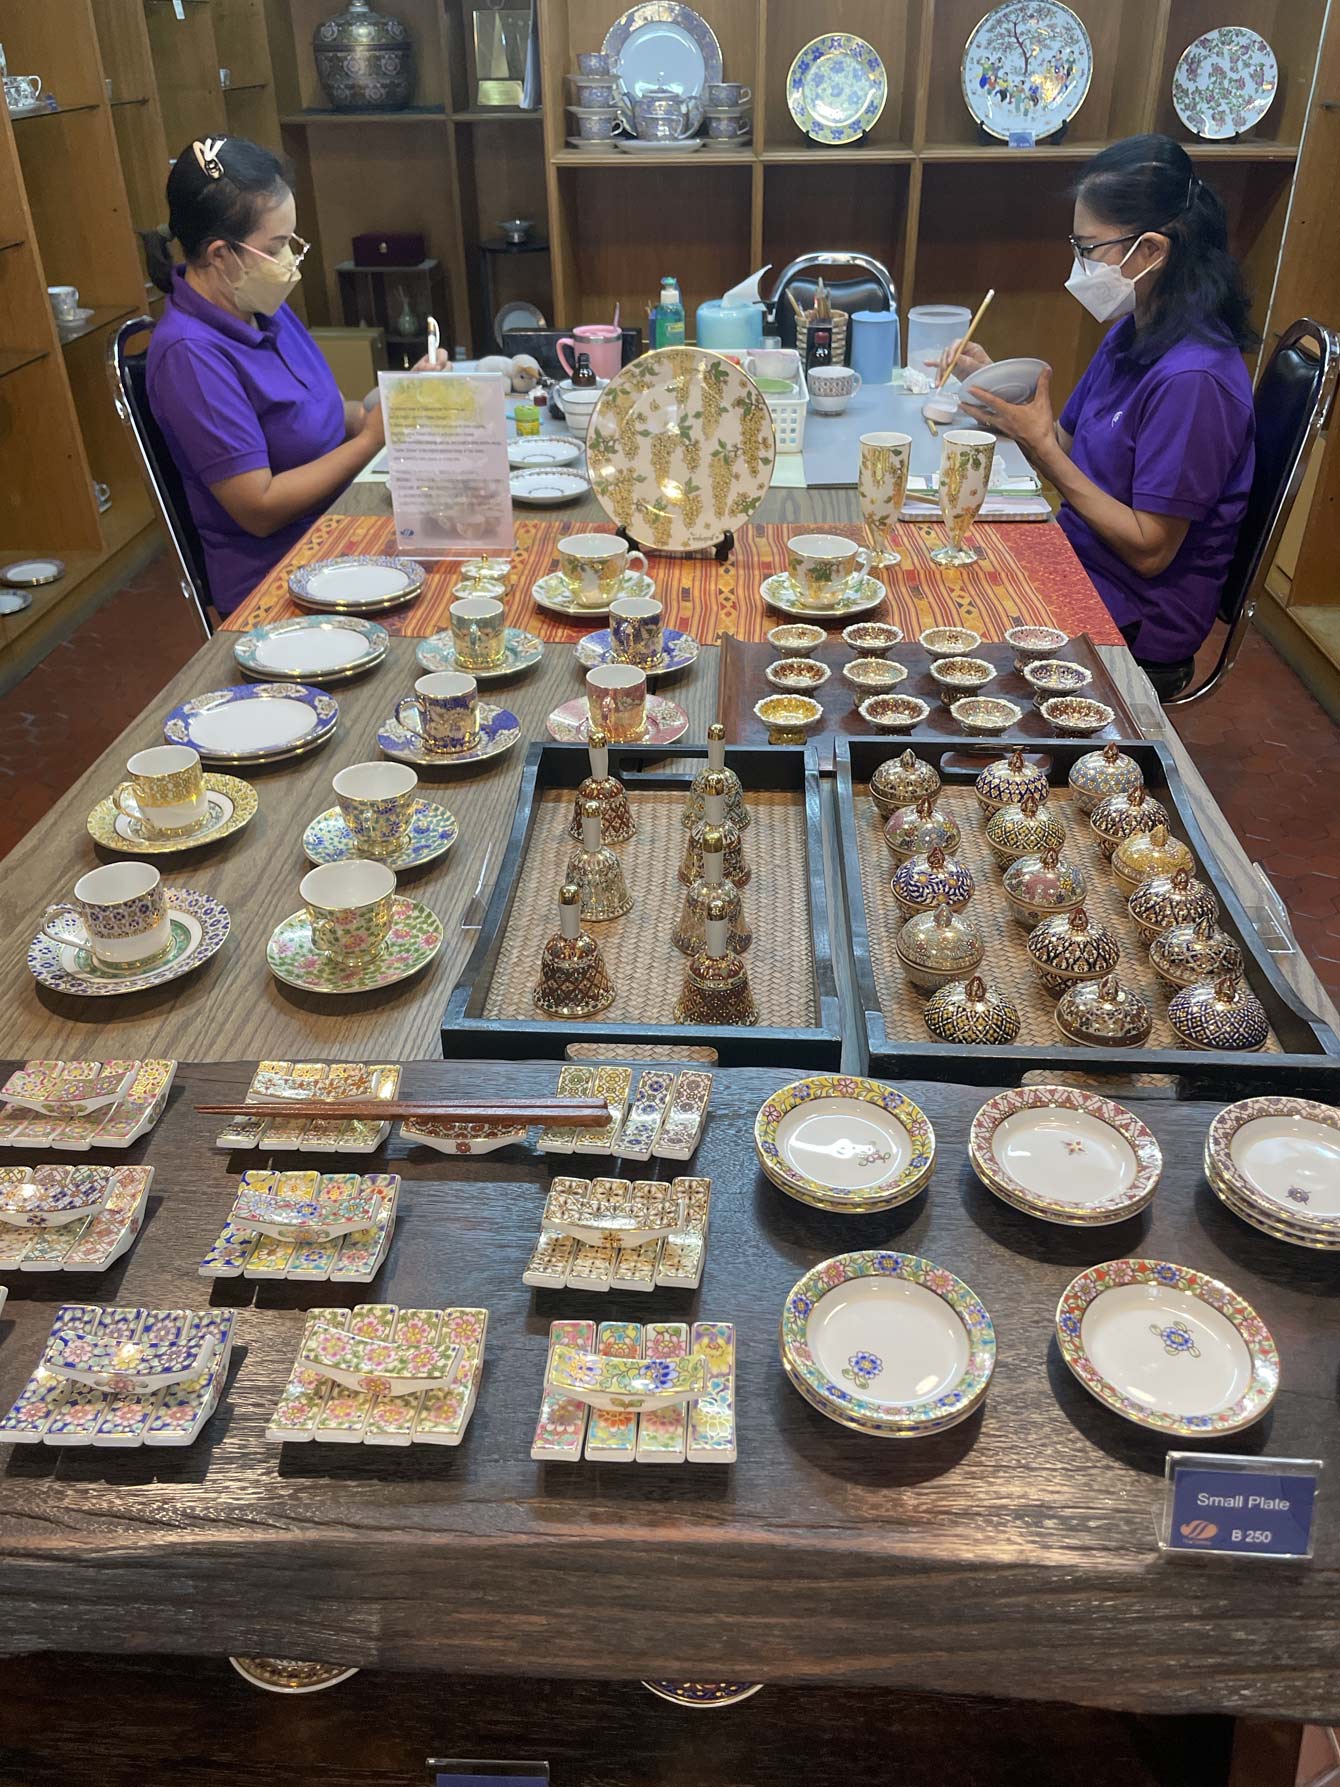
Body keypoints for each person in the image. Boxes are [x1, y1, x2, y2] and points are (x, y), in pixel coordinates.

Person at [944, 135, 1257, 697]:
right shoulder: (1134, 331)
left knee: (945, 623)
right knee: (936, 565)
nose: (1079, 266)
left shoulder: (1194, 381)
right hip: (1079, 560)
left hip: (1136, 614)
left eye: (1088, 248)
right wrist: (1000, 392)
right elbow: (1068, 449)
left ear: (1151, 251)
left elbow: (1150, 550)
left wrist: (1041, 448)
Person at [145, 135, 443, 619]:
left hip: (338, 525)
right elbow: (259, 509)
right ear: (220, 255)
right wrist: (372, 439)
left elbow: (325, 416)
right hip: (277, 576)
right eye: (278, 246)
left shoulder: (259, 305)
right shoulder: (190, 356)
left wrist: (404, 398)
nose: (290, 261)